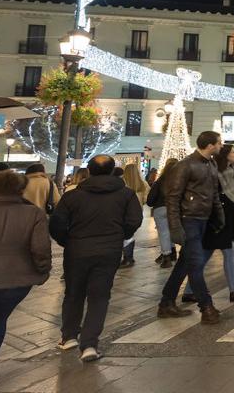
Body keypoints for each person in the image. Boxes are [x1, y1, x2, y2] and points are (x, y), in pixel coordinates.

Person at [49, 155, 143, 361]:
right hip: (108, 251)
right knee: (99, 296)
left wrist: (68, 240)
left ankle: (69, 336)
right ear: (112, 171)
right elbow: (135, 220)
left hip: (77, 250)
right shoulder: (126, 194)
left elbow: (56, 224)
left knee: (73, 293)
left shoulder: (73, 195)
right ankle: (90, 344)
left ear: (89, 171)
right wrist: (120, 236)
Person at [0, 171, 52, 385]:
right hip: (17, 281)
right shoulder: (34, 213)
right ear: (22, 189)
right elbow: (40, 249)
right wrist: (42, 271)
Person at [158, 131, 225, 324]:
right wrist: (175, 227)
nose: (221, 146)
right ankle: (206, 307)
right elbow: (173, 198)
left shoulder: (211, 164)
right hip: (189, 220)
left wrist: (218, 216)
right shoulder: (185, 165)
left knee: (185, 263)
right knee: (195, 263)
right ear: (210, 145)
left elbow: (213, 194)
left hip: (203, 219)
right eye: (219, 143)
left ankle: (166, 303)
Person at [181, 144, 234, 303]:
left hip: (227, 218)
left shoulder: (232, 170)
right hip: (219, 219)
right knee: (229, 252)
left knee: (206, 255)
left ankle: (189, 291)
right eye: (233, 152)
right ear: (225, 155)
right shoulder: (217, 173)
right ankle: (233, 290)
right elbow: (218, 196)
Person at [146, 158, 179, 268]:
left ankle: (167, 256)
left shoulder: (159, 181)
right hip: (175, 209)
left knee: (164, 233)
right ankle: (173, 252)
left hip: (160, 209)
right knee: (170, 231)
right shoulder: (180, 181)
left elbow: (150, 200)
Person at [119, 163, 149, 268]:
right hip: (137, 213)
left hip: (123, 212)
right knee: (130, 234)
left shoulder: (122, 183)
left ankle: (127, 257)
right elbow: (146, 199)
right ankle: (129, 256)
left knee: (124, 234)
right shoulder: (143, 184)